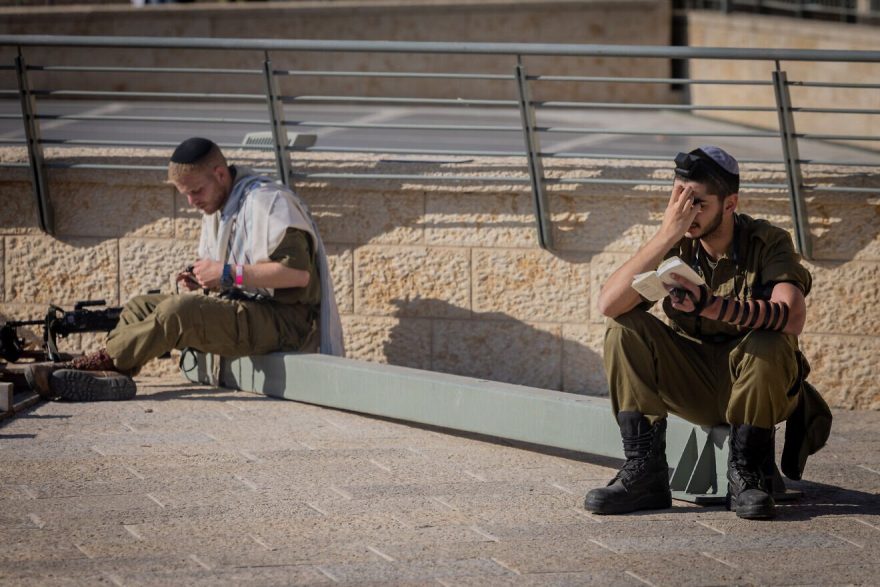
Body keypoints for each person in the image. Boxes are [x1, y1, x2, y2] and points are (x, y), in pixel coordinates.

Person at [584, 146, 827, 520]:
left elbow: (791, 316)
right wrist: (666, 235)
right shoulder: (676, 242)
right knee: (624, 326)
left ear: (730, 204)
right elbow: (608, 304)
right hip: (694, 381)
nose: (687, 212)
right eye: (679, 199)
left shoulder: (768, 242)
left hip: (757, 384)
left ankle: (747, 475)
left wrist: (712, 306)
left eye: (698, 202)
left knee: (769, 338)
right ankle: (645, 474)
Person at [27, 137, 344, 402]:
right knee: (142, 306)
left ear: (220, 174)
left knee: (180, 311)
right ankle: (115, 375)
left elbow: (297, 275)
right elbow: (233, 273)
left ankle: (100, 363)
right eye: (186, 194)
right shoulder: (222, 207)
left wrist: (226, 274)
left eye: (196, 191)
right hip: (248, 308)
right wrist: (202, 279)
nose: (192, 202)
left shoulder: (270, 203)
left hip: (285, 322)